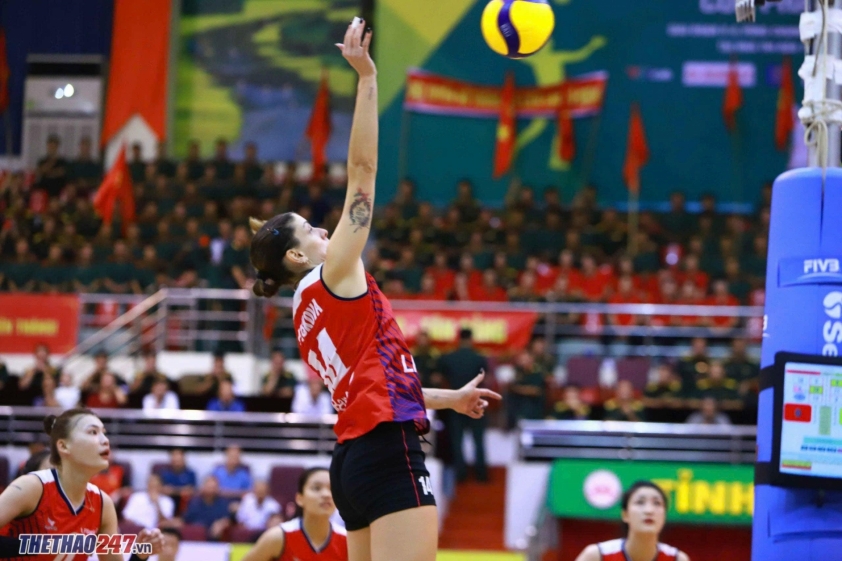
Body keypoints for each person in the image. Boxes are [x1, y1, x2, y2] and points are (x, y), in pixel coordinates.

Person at [248, 19, 500, 561]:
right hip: (386, 453)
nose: (324, 229)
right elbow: (362, 172)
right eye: (311, 230)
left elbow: (375, 387)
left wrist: (449, 400)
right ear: (297, 256)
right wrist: (367, 79)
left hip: (352, 463)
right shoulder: (334, 274)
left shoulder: (302, 311)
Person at [0, 408, 164, 559]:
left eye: (104, 433)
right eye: (93, 432)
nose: (105, 440)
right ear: (64, 446)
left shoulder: (103, 504)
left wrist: (140, 555)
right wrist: (47, 545)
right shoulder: (32, 487)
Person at [242, 467, 347, 561]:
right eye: (316, 488)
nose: (326, 494)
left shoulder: (347, 541)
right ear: (299, 498)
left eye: (331, 489)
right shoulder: (278, 537)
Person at [574, 481, 690, 561]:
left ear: (664, 516)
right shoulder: (597, 556)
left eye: (657, 503)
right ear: (625, 514)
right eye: (640, 502)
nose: (649, 510)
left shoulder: (678, 559)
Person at [438, 328, 491, 482]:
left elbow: (441, 380)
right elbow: (486, 380)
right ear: (471, 339)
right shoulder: (479, 358)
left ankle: (460, 474)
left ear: (459, 339)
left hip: (456, 403)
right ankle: (481, 474)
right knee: (478, 440)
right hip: (475, 402)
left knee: (457, 441)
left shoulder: (448, 358)